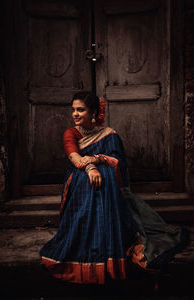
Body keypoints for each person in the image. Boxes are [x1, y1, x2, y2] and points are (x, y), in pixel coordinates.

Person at [40, 91, 188, 285]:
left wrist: (98, 159)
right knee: (87, 180)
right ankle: (85, 241)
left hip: (106, 181)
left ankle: (107, 240)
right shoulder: (71, 133)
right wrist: (91, 167)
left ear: (93, 112)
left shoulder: (109, 134)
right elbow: (74, 157)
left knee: (108, 176)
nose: (75, 114)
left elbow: (118, 163)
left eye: (80, 110)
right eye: (73, 110)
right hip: (79, 174)